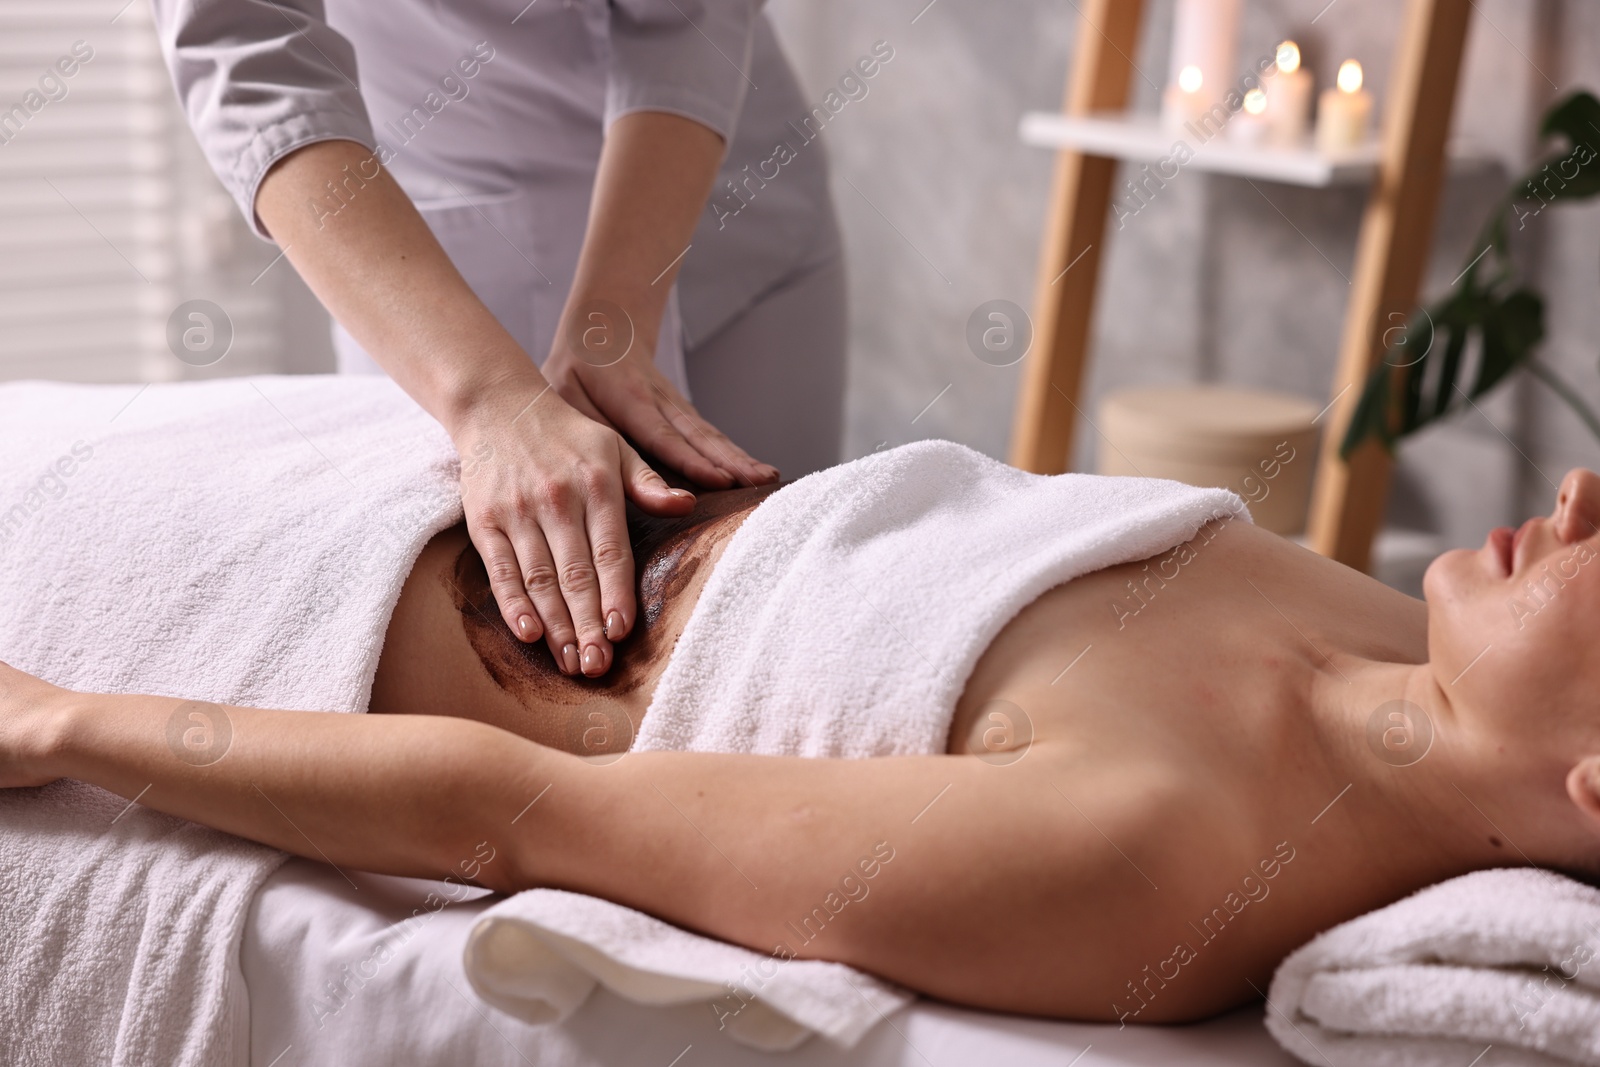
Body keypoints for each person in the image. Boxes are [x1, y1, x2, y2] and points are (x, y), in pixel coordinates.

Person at [6, 464, 1600, 1025]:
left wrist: (61, 722)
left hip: (308, 606)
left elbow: (525, 807)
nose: (1583, 500)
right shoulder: (1395, 634)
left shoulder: (1152, 851)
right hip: (454, 474)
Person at [150, 0, 847, 679]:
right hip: (439, 245)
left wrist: (617, 310)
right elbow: (249, 54)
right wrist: (486, 399)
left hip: (722, 163)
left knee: (789, 622)